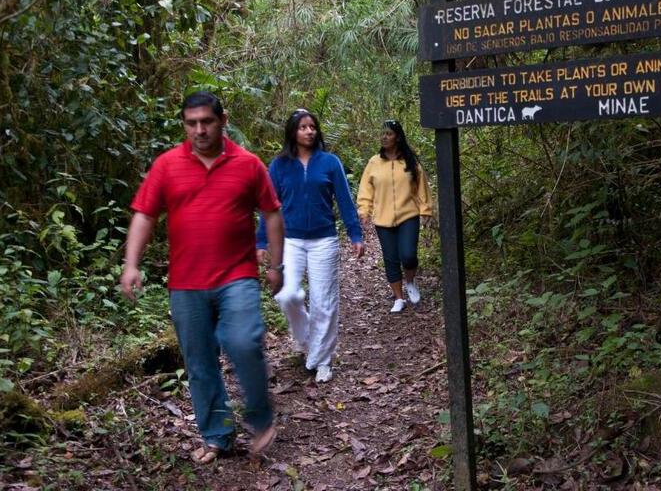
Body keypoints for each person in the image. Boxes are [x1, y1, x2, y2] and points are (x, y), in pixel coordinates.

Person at [119, 91, 284, 464]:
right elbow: (145, 214)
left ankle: (260, 418)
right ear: (184, 124)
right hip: (185, 283)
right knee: (199, 361)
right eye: (191, 123)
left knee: (242, 341)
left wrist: (276, 264)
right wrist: (131, 264)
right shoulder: (166, 165)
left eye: (206, 122)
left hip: (237, 277)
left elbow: (272, 213)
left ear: (222, 119)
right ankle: (217, 435)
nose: (199, 130)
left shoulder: (248, 164)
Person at [255, 108, 364, 383]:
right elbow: (268, 206)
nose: (309, 131)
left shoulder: (330, 162)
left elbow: (345, 199)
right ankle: (306, 341)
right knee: (286, 295)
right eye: (303, 127)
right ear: (293, 132)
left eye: (312, 126)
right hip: (290, 240)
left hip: (324, 240)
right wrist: (262, 240)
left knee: (324, 303)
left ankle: (322, 359)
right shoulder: (279, 165)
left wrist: (355, 234)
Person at [357, 119, 433, 313]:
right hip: (383, 219)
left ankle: (410, 281)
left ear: (397, 137)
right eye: (382, 133)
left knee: (408, 255)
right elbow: (366, 189)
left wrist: (425, 210)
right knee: (390, 258)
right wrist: (364, 210)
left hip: (408, 215)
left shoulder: (409, 161)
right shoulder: (374, 162)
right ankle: (399, 298)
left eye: (389, 134)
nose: (384, 137)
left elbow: (422, 187)